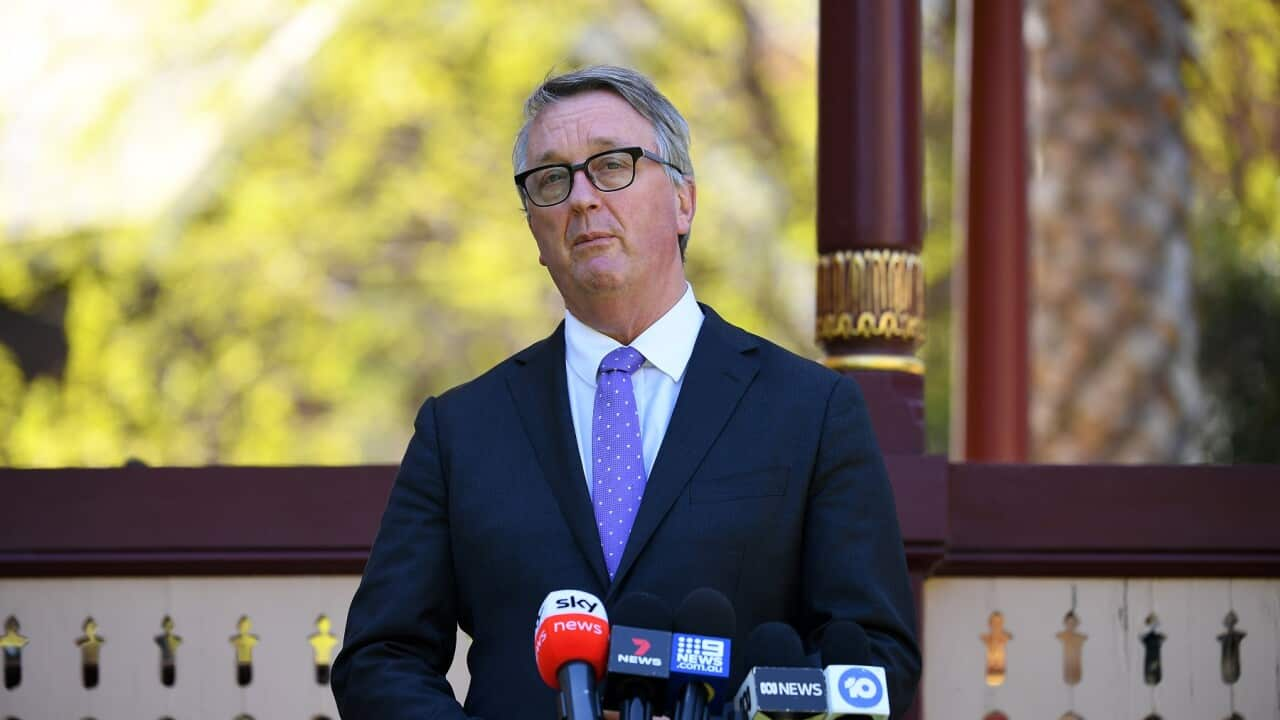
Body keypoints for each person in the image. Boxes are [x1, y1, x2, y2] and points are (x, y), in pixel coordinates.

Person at [331, 65, 920, 719]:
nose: (581, 198)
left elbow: (874, 658)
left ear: (684, 201)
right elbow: (380, 658)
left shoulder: (810, 410)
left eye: (612, 165)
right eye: (552, 179)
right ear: (534, 228)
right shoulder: (461, 428)